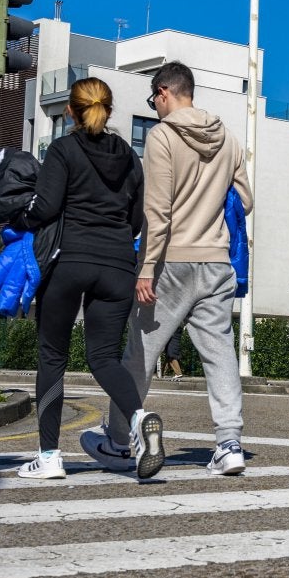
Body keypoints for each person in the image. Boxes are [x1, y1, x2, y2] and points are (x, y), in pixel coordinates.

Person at [81, 60, 252, 476]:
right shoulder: (228, 138)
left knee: (140, 352)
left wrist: (146, 268)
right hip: (216, 261)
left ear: (163, 93)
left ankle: (121, 440)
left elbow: (156, 212)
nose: (154, 107)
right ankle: (229, 443)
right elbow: (245, 200)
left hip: (169, 262)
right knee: (219, 354)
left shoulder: (162, 137)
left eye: (153, 99)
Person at [18, 77, 162, 481]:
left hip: (69, 262)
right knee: (102, 358)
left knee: (52, 358)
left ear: (70, 111)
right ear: (110, 110)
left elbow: (45, 208)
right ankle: (138, 417)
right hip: (117, 267)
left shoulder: (63, 151)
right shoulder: (130, 159)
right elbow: (136, 220)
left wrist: (20, 220)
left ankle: (48, 456)